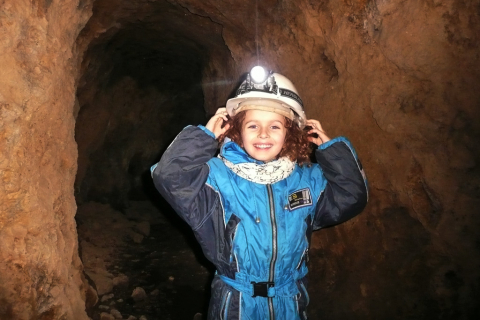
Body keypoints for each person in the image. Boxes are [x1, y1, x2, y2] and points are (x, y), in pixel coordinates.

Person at [151, 68, 368, 320]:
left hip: (290, 300)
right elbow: (170, 177)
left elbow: (352, 196)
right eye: (252, 125)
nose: (263, 134)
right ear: (235, 130)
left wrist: (332, 152)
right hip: (237, 303)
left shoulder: (308, 179)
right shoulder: (215, 179)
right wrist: (204, 136)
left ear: (290, 132)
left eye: (274, 126)